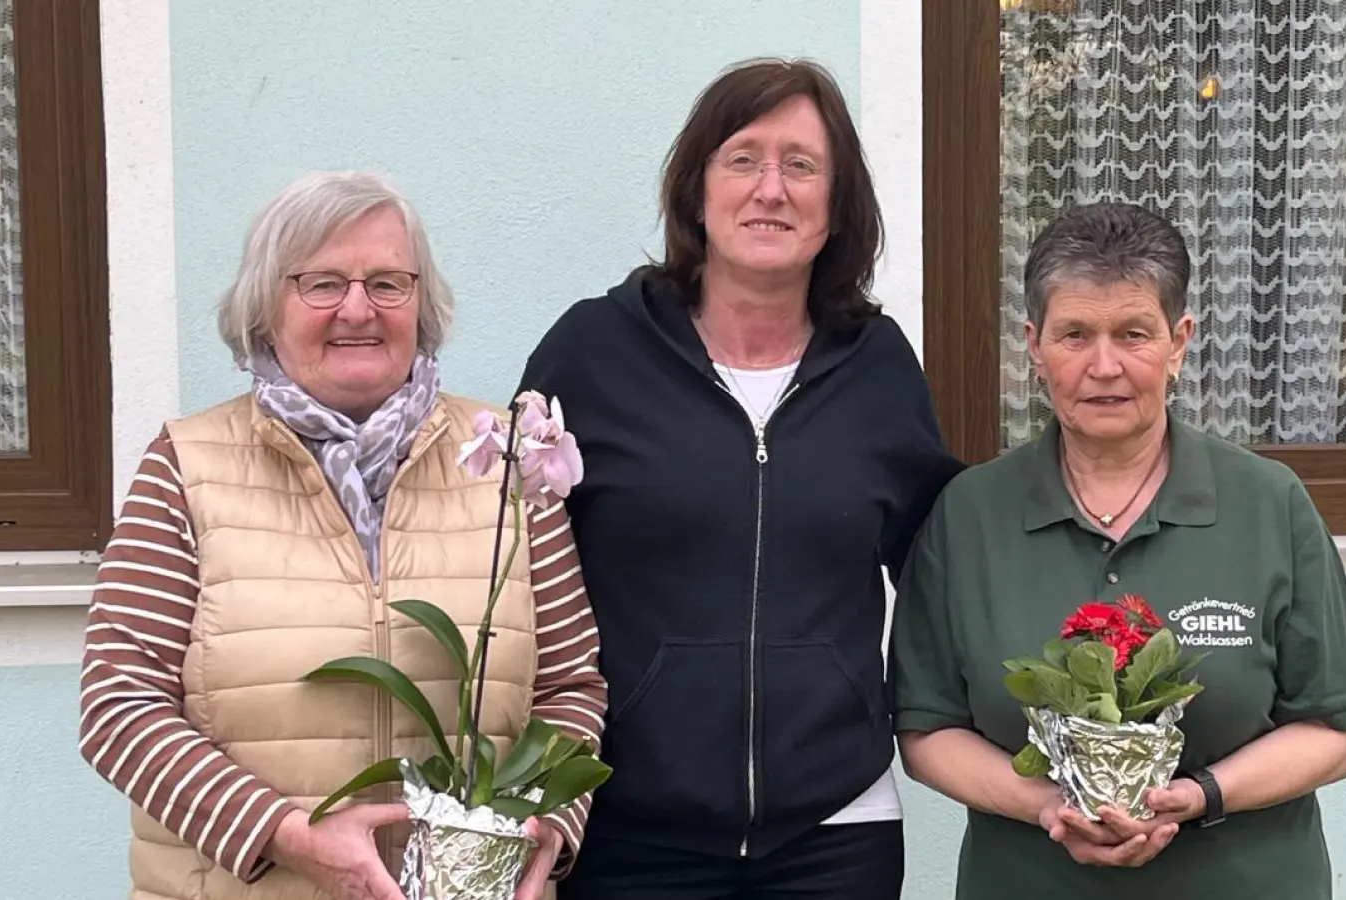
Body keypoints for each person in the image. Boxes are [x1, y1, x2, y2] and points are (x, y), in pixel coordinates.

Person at [78, 171, 608, 900]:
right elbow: (118, 704)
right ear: (266, 309)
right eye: (321, 283)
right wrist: (285, 836)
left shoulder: (509, 460)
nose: (357, 309)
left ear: (421, 305)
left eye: (388, 283)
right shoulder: (187, 466)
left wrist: (547, 825)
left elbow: (568, 687)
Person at [516, 58, 962, 898]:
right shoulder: (592, 352)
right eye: (743, 158)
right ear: (697, 190)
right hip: (627, 824)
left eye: (801, 164)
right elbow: (513, 566)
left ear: (838, 205)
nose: (771, 189)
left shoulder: (880, 367)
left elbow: (938, 559)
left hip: (835, 831)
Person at [890, 201, 1346, 900]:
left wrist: (1201, 795)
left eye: (1134, 333)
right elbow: (927, 731)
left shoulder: (1268, 504)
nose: (1104, 365)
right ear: (1033, 342)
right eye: (1075, 334)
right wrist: (1052, 809)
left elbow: (1337, 732)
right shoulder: (968, 515)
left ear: (1179, 341)